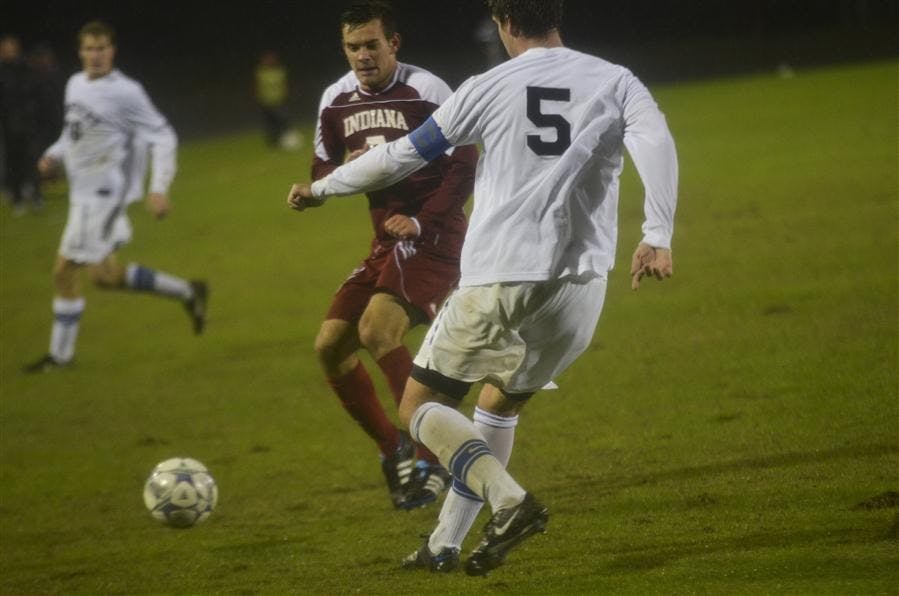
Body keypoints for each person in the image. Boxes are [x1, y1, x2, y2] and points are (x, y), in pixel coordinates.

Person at [287, 0, 677, 576]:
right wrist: (658, 232)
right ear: (555, 17)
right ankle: (444, 543)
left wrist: (322, 190)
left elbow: (398, 157)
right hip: (581, 286)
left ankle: (512, 502)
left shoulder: (489, 84)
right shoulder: (616, 79)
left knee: (419, 405)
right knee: (497, 406)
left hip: (501, 274)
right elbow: (657, 140)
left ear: (505, 24)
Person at [304, 0, 477, 510]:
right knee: (330, 346)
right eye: (353, 47)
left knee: (378, 331)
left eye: (371, 45)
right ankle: (394, 447)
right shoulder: (335, 100)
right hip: (386, 242)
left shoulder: (428, 91)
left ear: (393, 44)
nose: (362, 56)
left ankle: (432, 459)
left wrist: (424, 219)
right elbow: (321, 172)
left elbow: (464, 166)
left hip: (436, 235)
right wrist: (335, 176)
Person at [24, 21, 208, 373]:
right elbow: (73, 134)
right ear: (80, 52)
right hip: (83, 196)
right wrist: (52, 156)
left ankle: (59, 358)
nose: (95, 55)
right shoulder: (74, 84)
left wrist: (159, 187)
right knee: (104, 276)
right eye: (89, 49)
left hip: (103, 197)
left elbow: (164, 135)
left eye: (102, 48)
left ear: (113, 50)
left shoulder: (126, 92)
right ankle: (188, 292)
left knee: (63, 272)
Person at [254, 50, 290, 148]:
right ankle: (272, 142)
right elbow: (257, 85)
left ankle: (284, 140)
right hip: (266, 101)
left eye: (271, 59)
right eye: (267, 59)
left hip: (279, 101)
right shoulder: (261, 72)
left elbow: (285, 84)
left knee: (282, 120)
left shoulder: (279, 71)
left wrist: (285, 96)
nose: (269, 61)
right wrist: (258, 98)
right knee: (269, 123)